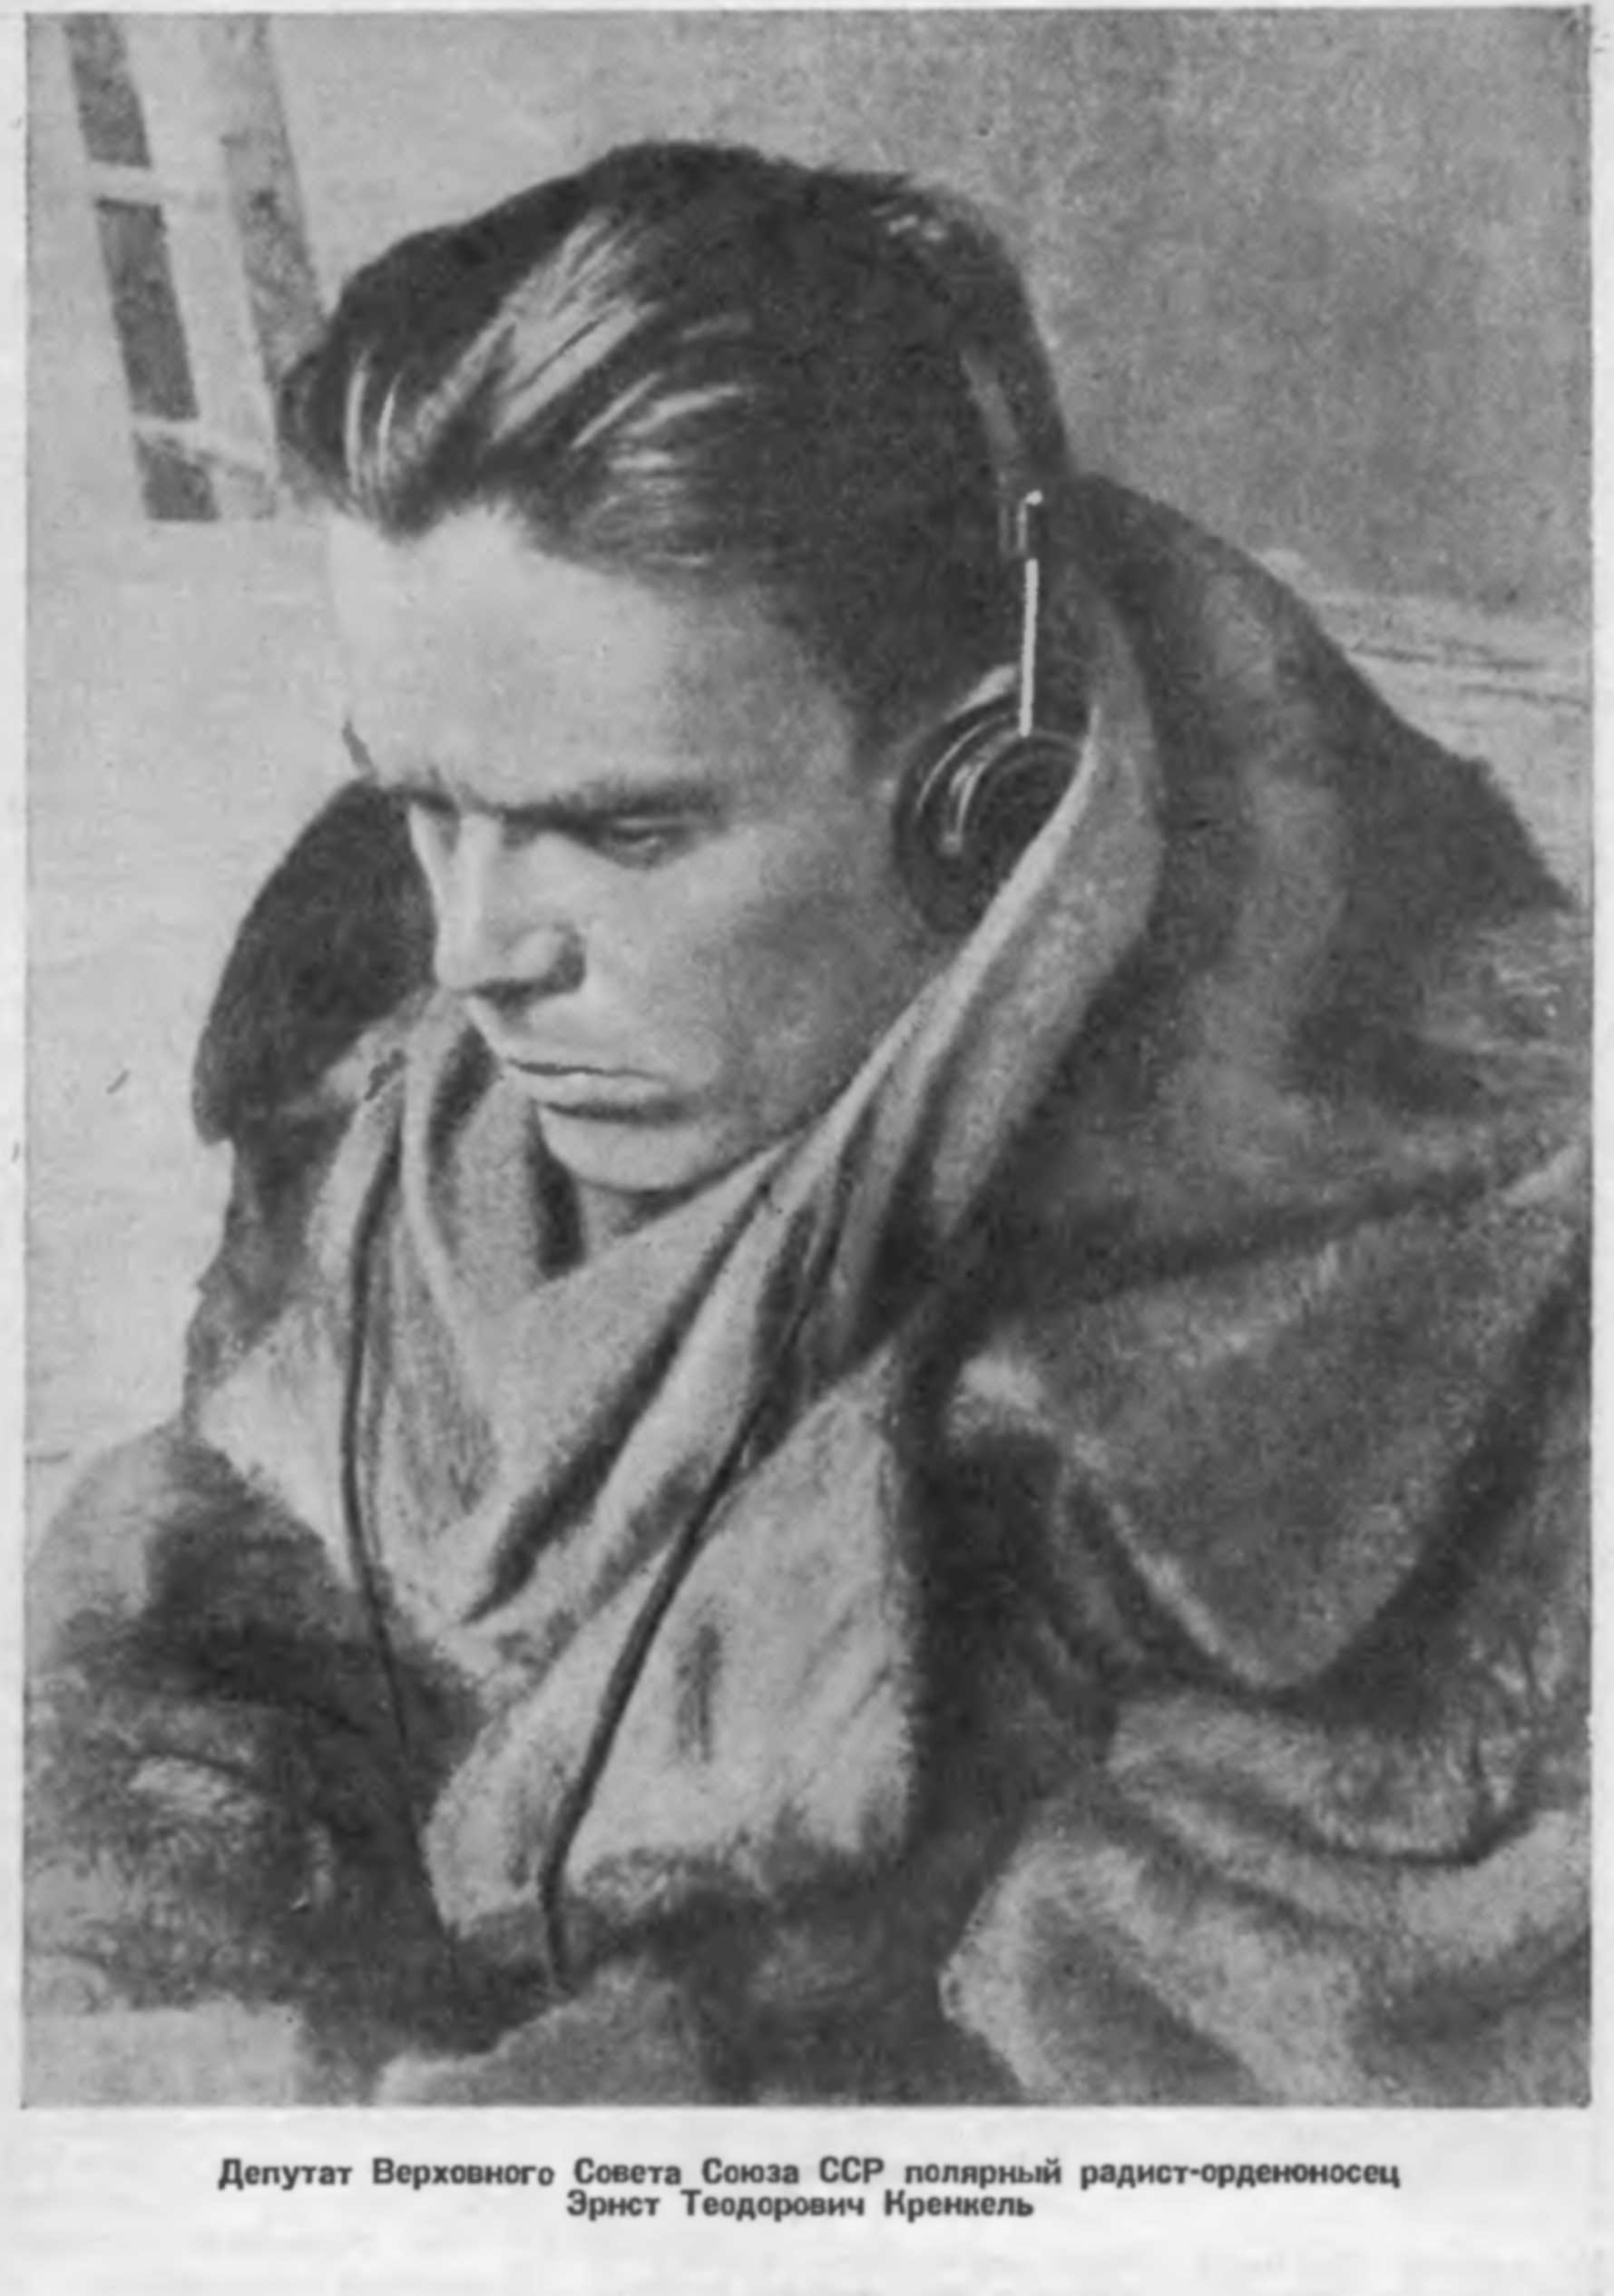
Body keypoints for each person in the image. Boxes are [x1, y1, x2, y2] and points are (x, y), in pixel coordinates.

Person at [26, 141, 1588, 2107]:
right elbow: (179, 1685)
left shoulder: (1432, 1326)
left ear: (979, 795)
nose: (474, 953)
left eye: (623, 833)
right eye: (422, 805)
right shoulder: (356, 1120)